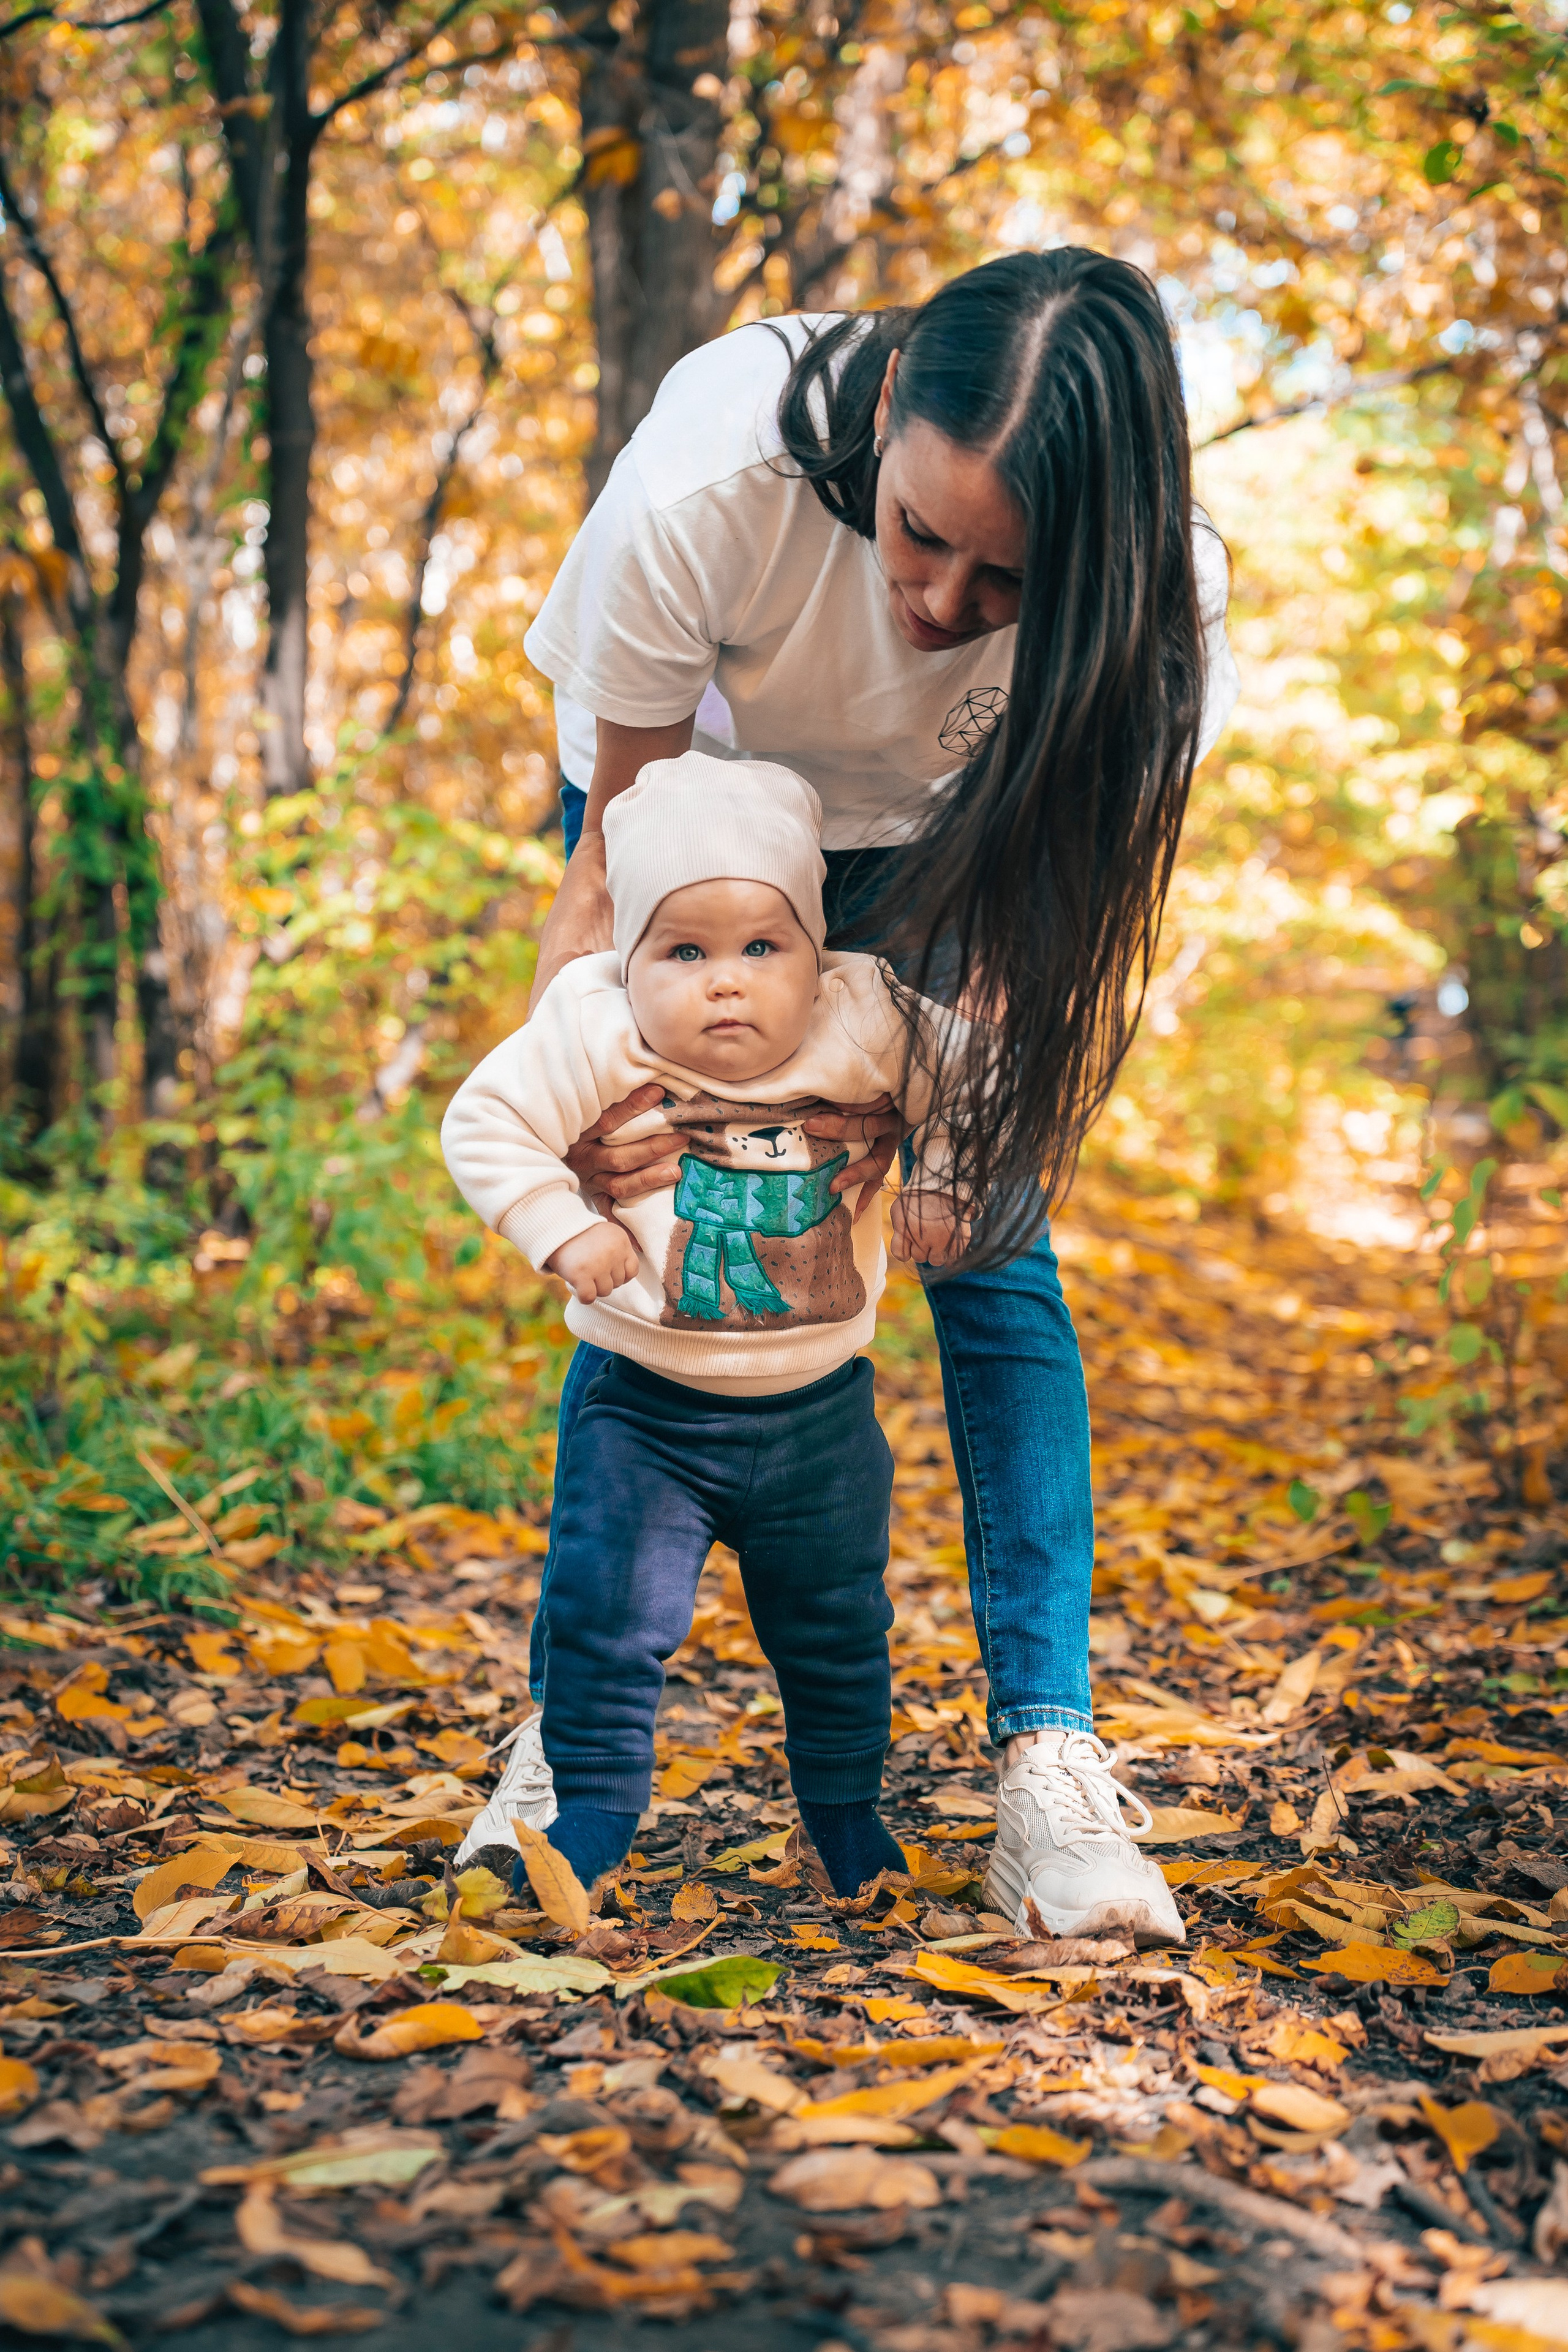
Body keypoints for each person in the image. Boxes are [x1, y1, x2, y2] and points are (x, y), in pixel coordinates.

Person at [458, 248, 1236, 1945]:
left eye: (1005, 580)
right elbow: (616, 854)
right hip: (710, 833)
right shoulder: (707, 477)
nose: (943, 605)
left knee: (993, 1255)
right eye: (919, 534)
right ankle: (569, 1737)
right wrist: (576, 1114)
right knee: (643, 1219)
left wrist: (970, 1134)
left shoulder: (1164, 602)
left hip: (960, 841)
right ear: (886, 417)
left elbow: (1055, 903)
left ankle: (1050, 1758)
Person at [442, 753, 970, 1898]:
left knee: (838, 1630)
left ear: (813, 956)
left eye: (760, 947)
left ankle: (844, 1815)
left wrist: (942, 1178)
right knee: (604, 1622)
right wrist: (552, 1223)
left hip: (822, 1419)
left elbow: (984, 1080)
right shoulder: (596, 1026)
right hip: (647, 1416)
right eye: (684, 952)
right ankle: (588, 1816)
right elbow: (484, 1118)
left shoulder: (865, 1016)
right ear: (630, 958)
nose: (724, 982)